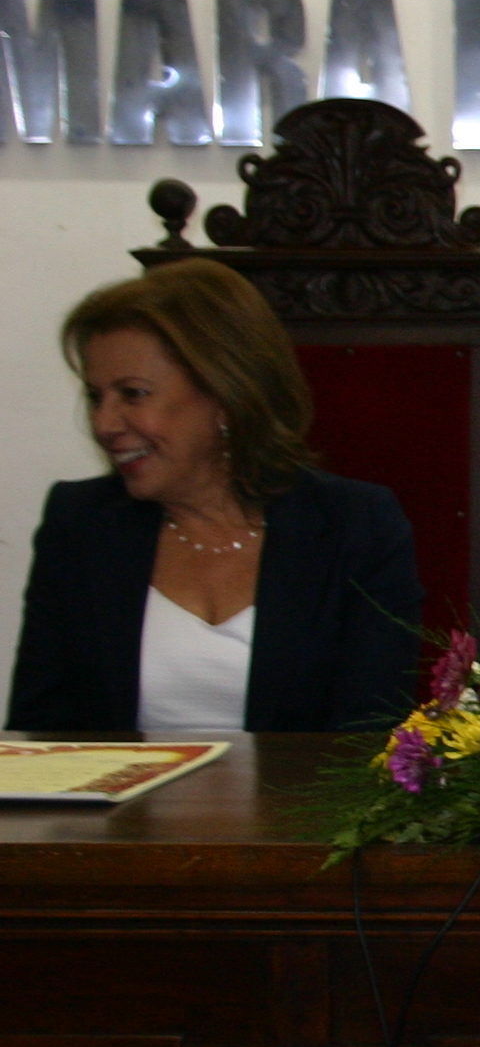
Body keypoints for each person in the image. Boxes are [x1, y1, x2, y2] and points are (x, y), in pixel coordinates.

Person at [9, 257, 420, 733]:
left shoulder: (356, 525)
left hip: (300, 788)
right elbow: (39, 734)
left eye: (133, 394)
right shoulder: (80, 524)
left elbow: (370, 737)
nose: (104, 424)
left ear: (225, 395)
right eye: (95, 397)